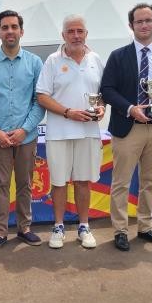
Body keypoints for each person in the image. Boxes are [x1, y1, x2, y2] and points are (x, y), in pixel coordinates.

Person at [100, 3, 152, 251]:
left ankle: (145, 226)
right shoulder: (118, 56)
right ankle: (120, 230)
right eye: (139, 21)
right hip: (128, 126)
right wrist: (131, 108)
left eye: (148, 20)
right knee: (121, 182)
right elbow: (107, 90)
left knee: (150, 181)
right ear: (131, 25)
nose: (144, 25)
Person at [0, 10, 45, 250]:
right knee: (1, 185)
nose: (9, 31)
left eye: (14, 27)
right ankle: (1, 230)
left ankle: (25, 227)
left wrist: (24, 130)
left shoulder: (35, 63)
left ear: (21, 31)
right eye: (5, 27)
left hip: (26, 137)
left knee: (25, 183)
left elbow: (39, 101)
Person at [36, 14, 104, 249]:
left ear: (86, 33)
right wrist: (67, 112)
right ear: (63, 35)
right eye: (71, 31)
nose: (76, 35)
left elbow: (102, 92)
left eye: (80, 31)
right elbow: (42, 96)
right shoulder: (53, 61)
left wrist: (102, 107)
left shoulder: (95, 59)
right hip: (59, 132)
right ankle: (58, 227)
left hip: (88, 131)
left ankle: (84, 227)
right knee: (59, 182)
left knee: (83, 181)